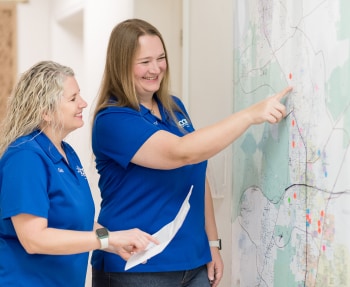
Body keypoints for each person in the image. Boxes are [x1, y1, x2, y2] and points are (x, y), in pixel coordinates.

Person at [90, 18, 292, 287]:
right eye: (144, 61)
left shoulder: (173, 107)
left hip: (193, 263)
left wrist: (213, 244)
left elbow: (196, 173)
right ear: (122, 65)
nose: (156, 68)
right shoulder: (112, 119)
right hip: (139, 267)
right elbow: (181, 153)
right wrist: (250, 115)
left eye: (160, 58)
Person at [0, 60, 158, 287]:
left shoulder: (67, 153)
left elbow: (78, 222)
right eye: (73, 99)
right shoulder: (25, 157)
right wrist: (108, 240)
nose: (83, 103)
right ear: (45, 111)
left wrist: (112, 242)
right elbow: (34, 239)